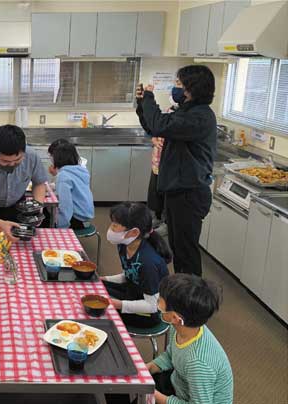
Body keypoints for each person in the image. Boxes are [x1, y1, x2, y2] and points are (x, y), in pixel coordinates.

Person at [136, 65, 217, 277]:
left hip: (189, 194)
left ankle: (191, 302)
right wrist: (141, 103)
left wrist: (149, 98)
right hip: (178, 191)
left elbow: (160, 125)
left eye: (179, 84)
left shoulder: (199, 117)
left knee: (186, 251)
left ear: (192, 88)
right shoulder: (186, 112)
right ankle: (181, 292)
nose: (176, 88)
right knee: (178, 247)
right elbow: (154, 126)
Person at [148, 274, 232, 404]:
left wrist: (154, 395)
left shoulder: (197, 362)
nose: (157, 303)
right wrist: (148, 367)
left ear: (175, 318)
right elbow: (171, 355)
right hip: (179, 385)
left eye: (160, 300)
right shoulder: (180, 328)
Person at [100, 202, 171, 328]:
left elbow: (152, 305)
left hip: (149, 313)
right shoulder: (124, 244)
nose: (110, 228)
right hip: (132, 292)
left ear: (133, 232)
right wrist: (104, 279)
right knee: (95, 287)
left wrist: (119, 304)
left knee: (99, 310)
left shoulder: (147, 262)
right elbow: (129, 274)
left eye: (115, 225)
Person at [51, 142, 94, 230]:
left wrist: (61, 228)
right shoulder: (81, 170)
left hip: (77, 220)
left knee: (45, 215)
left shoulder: (63, 175)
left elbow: (65, 206)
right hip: (86, 217)